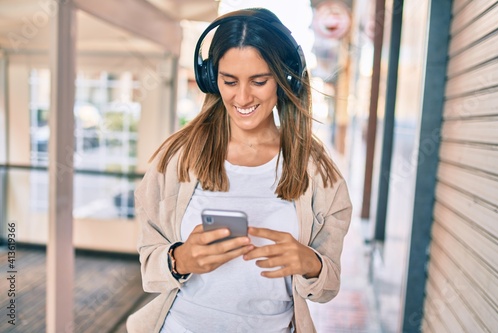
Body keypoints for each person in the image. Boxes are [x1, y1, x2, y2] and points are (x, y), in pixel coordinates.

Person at [127, 7, 352, 333]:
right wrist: (181, 260)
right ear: (211, 79)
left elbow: (328, 286)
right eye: (229, 81)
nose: (242, 97)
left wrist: (311, 264)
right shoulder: (177, 159)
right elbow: (149, 261)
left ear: (284, 78)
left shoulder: (317, 172)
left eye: (259, 81)